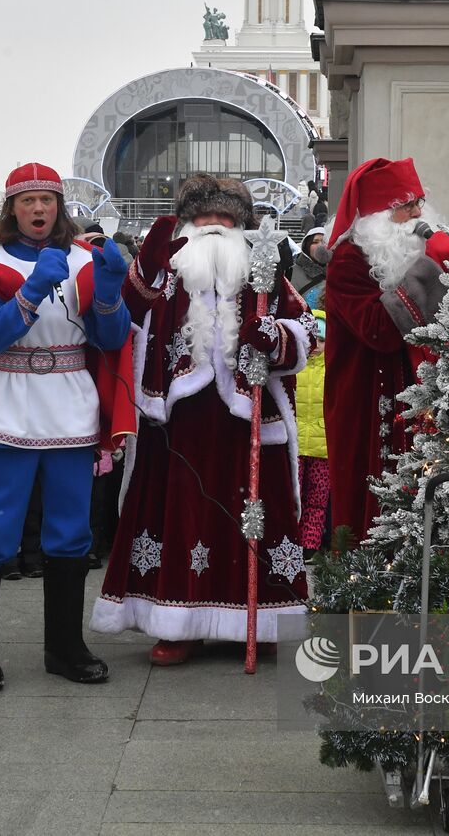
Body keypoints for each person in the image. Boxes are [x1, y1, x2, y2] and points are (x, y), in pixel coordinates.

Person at [92, 174, 313, 665]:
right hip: (177, 419)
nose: (214, 227)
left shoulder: (263, 270)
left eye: (225, 218)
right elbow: (126, 311)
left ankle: (266, 615)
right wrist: (146, 260)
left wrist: (273, 339)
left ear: (241, 224)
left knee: (259, 516)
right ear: (188, 222)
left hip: (250, 415)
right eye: (203, 218)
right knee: (180, 516)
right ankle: (178, 622)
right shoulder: (166, 269)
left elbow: (305, 327)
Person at [0, 162, 132, 692]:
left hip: (71, 403)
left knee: (71, 532)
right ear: (12, 208)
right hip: (11, 403)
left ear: (60, 207)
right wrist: (31, 292)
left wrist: (108, 293)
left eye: (47, 200)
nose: (38, 209)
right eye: (28, 200)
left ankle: (65, 648)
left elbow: (111, 338)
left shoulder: (86, 259)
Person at [323, 157, 449, 542]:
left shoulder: (416, 251)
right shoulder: (349, 261)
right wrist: (429, 268)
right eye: (407, 206)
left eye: (419, 202)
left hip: (419, 401)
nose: (419, 214)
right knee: (370, 503)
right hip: (367, 403)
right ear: (378, 216)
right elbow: (378, 330)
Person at [297, 309, 330, 551]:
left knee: (317, 500)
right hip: (296, 443)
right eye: (313, 339)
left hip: (323, 447)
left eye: (322, 340)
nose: (316, 345)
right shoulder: (294, 365)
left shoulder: (331, 368)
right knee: (292, 496)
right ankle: (288, 538)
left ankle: (309, 544)